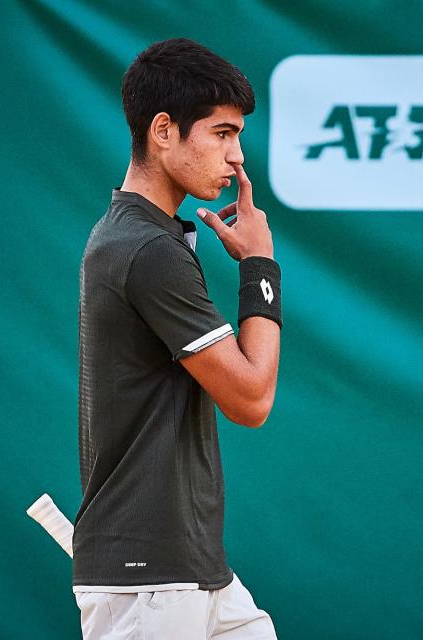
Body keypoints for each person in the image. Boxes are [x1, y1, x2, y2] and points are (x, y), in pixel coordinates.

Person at [73, 38, 280, 639]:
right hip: (148, 581)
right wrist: (260, 268)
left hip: (191, 571)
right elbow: (251, 399)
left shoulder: (146, 238)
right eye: (221, 133)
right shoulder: (145, 250)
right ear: (163, 130)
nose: (237, 157)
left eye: (237, 135)